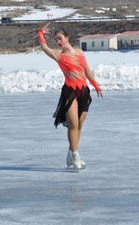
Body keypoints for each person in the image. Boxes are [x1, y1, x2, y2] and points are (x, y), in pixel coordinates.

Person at [38, 22, 103, 170]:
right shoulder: (59, 56)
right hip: (70, 92)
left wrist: (96, 86)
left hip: (84, 91)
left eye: (60, 38)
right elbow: (44, 48)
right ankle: (76, 155)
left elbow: (87, 71)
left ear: (67, 38)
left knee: (79, 124)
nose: (58, 42)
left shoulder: (80, 53)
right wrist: (41, 33)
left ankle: (70, 152)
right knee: (73, 123)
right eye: (56, 40)